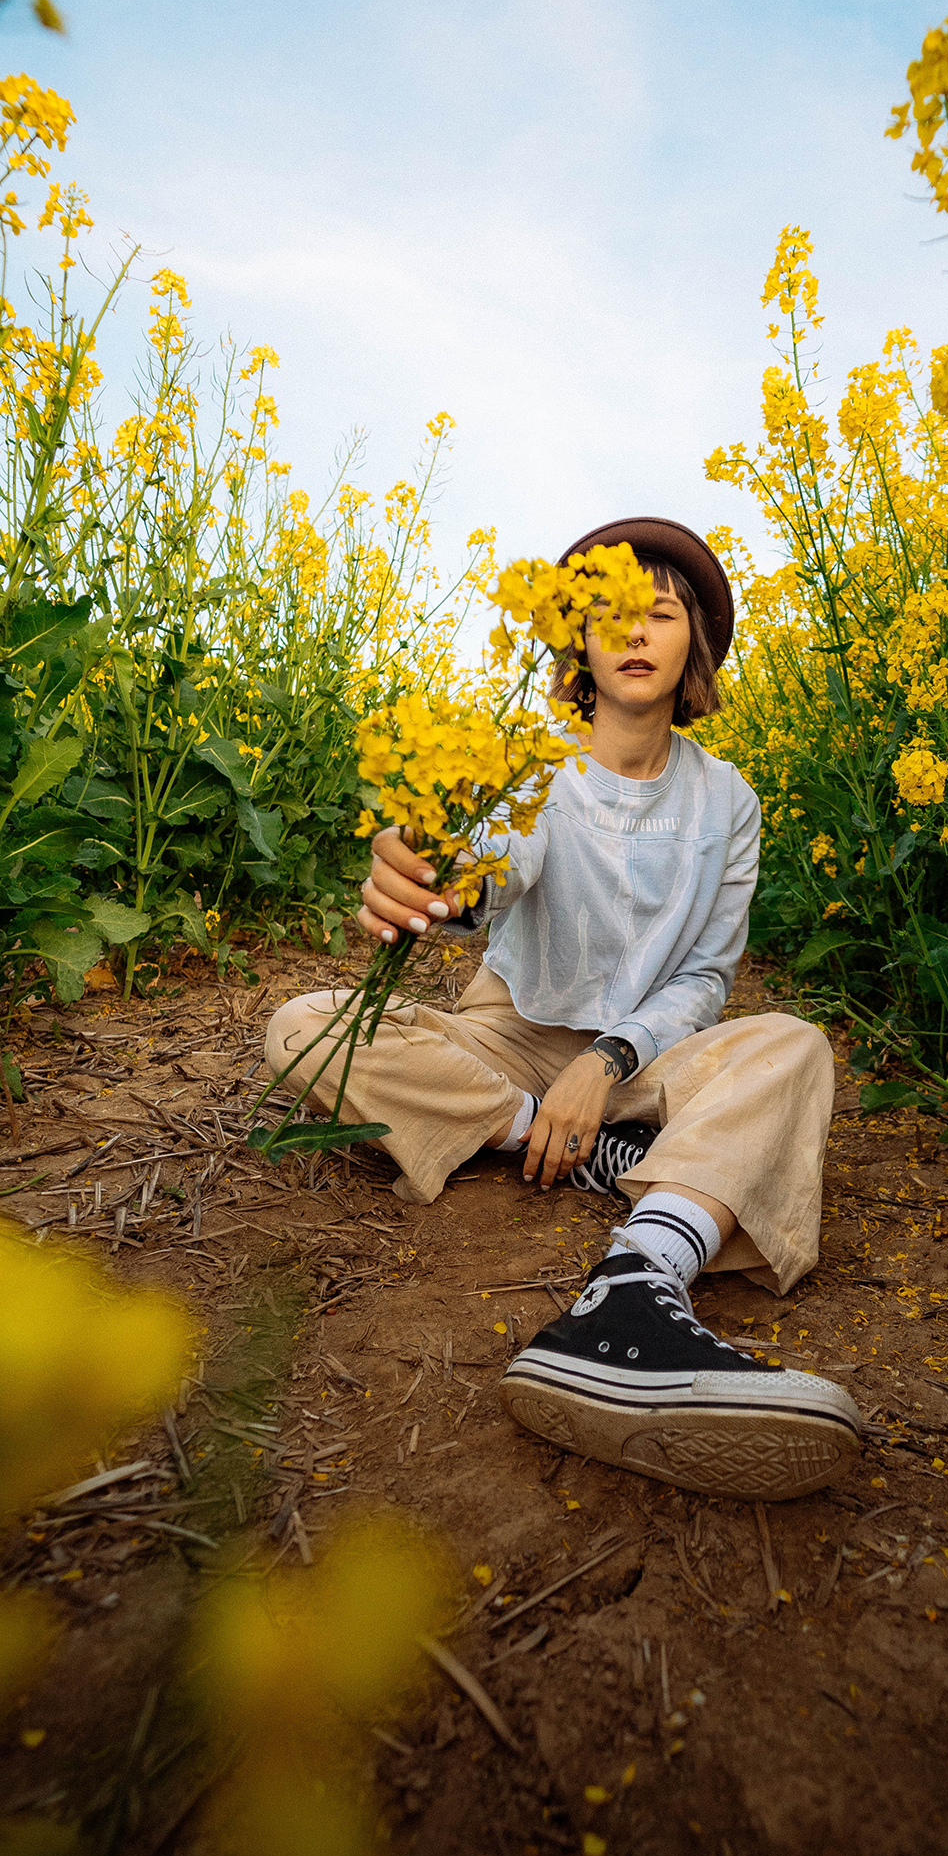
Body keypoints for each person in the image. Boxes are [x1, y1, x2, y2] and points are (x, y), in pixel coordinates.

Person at [265, 516, 860, 1500]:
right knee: (305, 1026)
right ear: (577, 641)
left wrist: (608, 1059)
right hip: (508, 1040)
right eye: (608, 614)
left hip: (647, 1064)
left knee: (793, 1046)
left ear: (694, 642)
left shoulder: (729, 801)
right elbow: (497, 865)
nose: (633, 632)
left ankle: (636, 1283)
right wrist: (430, 866)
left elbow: (704, 978)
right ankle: (564, 1143)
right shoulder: (534, 764)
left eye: (659, 612)